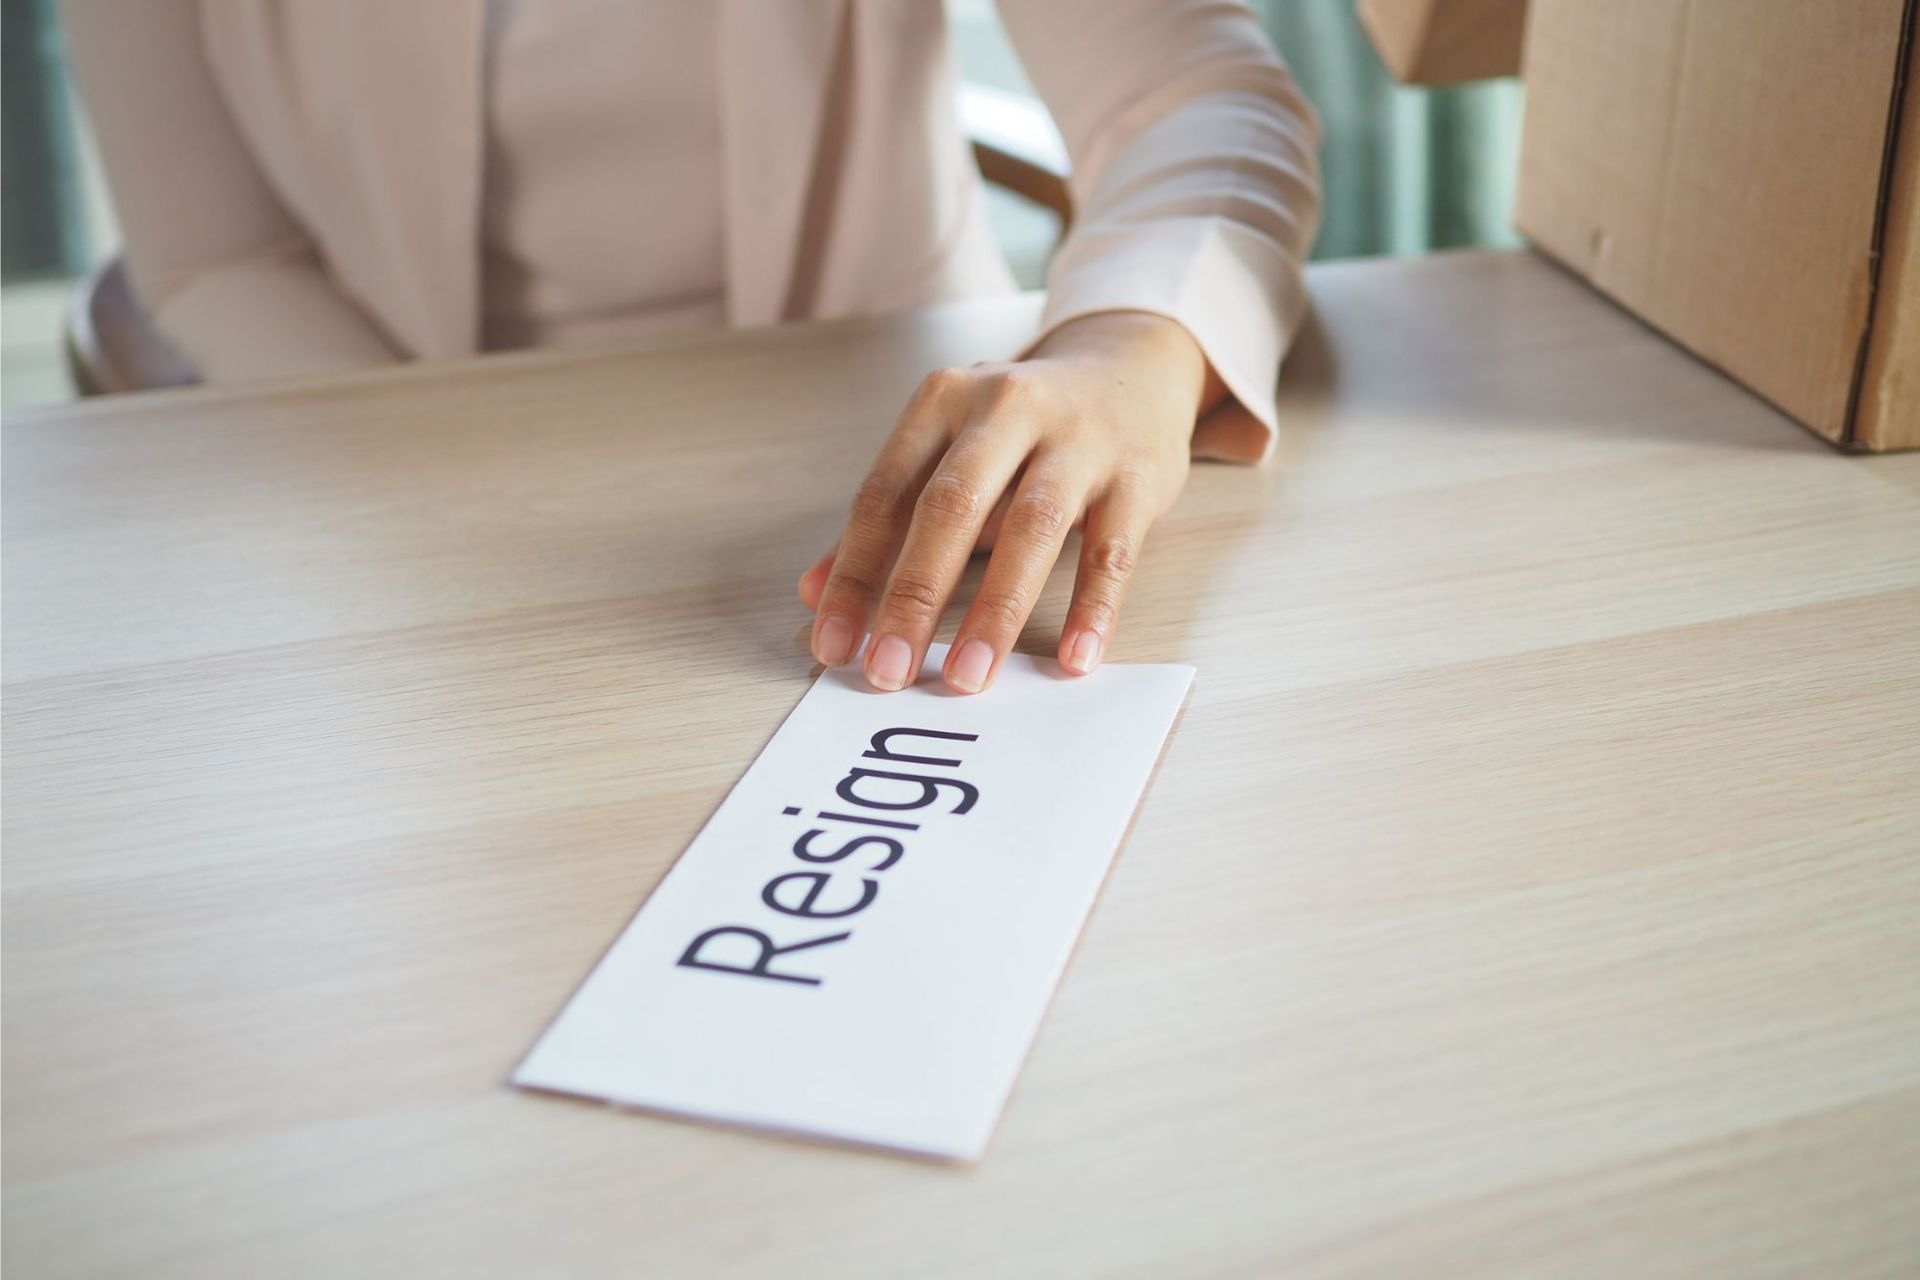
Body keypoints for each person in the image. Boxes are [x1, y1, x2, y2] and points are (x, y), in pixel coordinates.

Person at [62, 0, 1321, 695]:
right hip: (409, 513)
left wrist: (1131, 342)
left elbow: (1194, 91)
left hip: (880, 469)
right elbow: (215, 255)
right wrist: (453, 496)